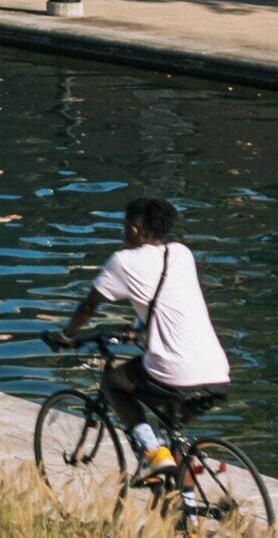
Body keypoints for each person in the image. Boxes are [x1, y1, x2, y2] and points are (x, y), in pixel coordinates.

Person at [49, 197, 231, 472]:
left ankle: (149, 451)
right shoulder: (181, 253)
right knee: (173, 439)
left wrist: (65, 336)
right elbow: (166, 299)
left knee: (112, 383)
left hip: (173, 372)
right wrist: (137, 329)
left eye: (124, 226)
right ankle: (187, 510)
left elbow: (88, 307)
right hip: (217, 373)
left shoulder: (122, 261)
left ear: (134, 229)